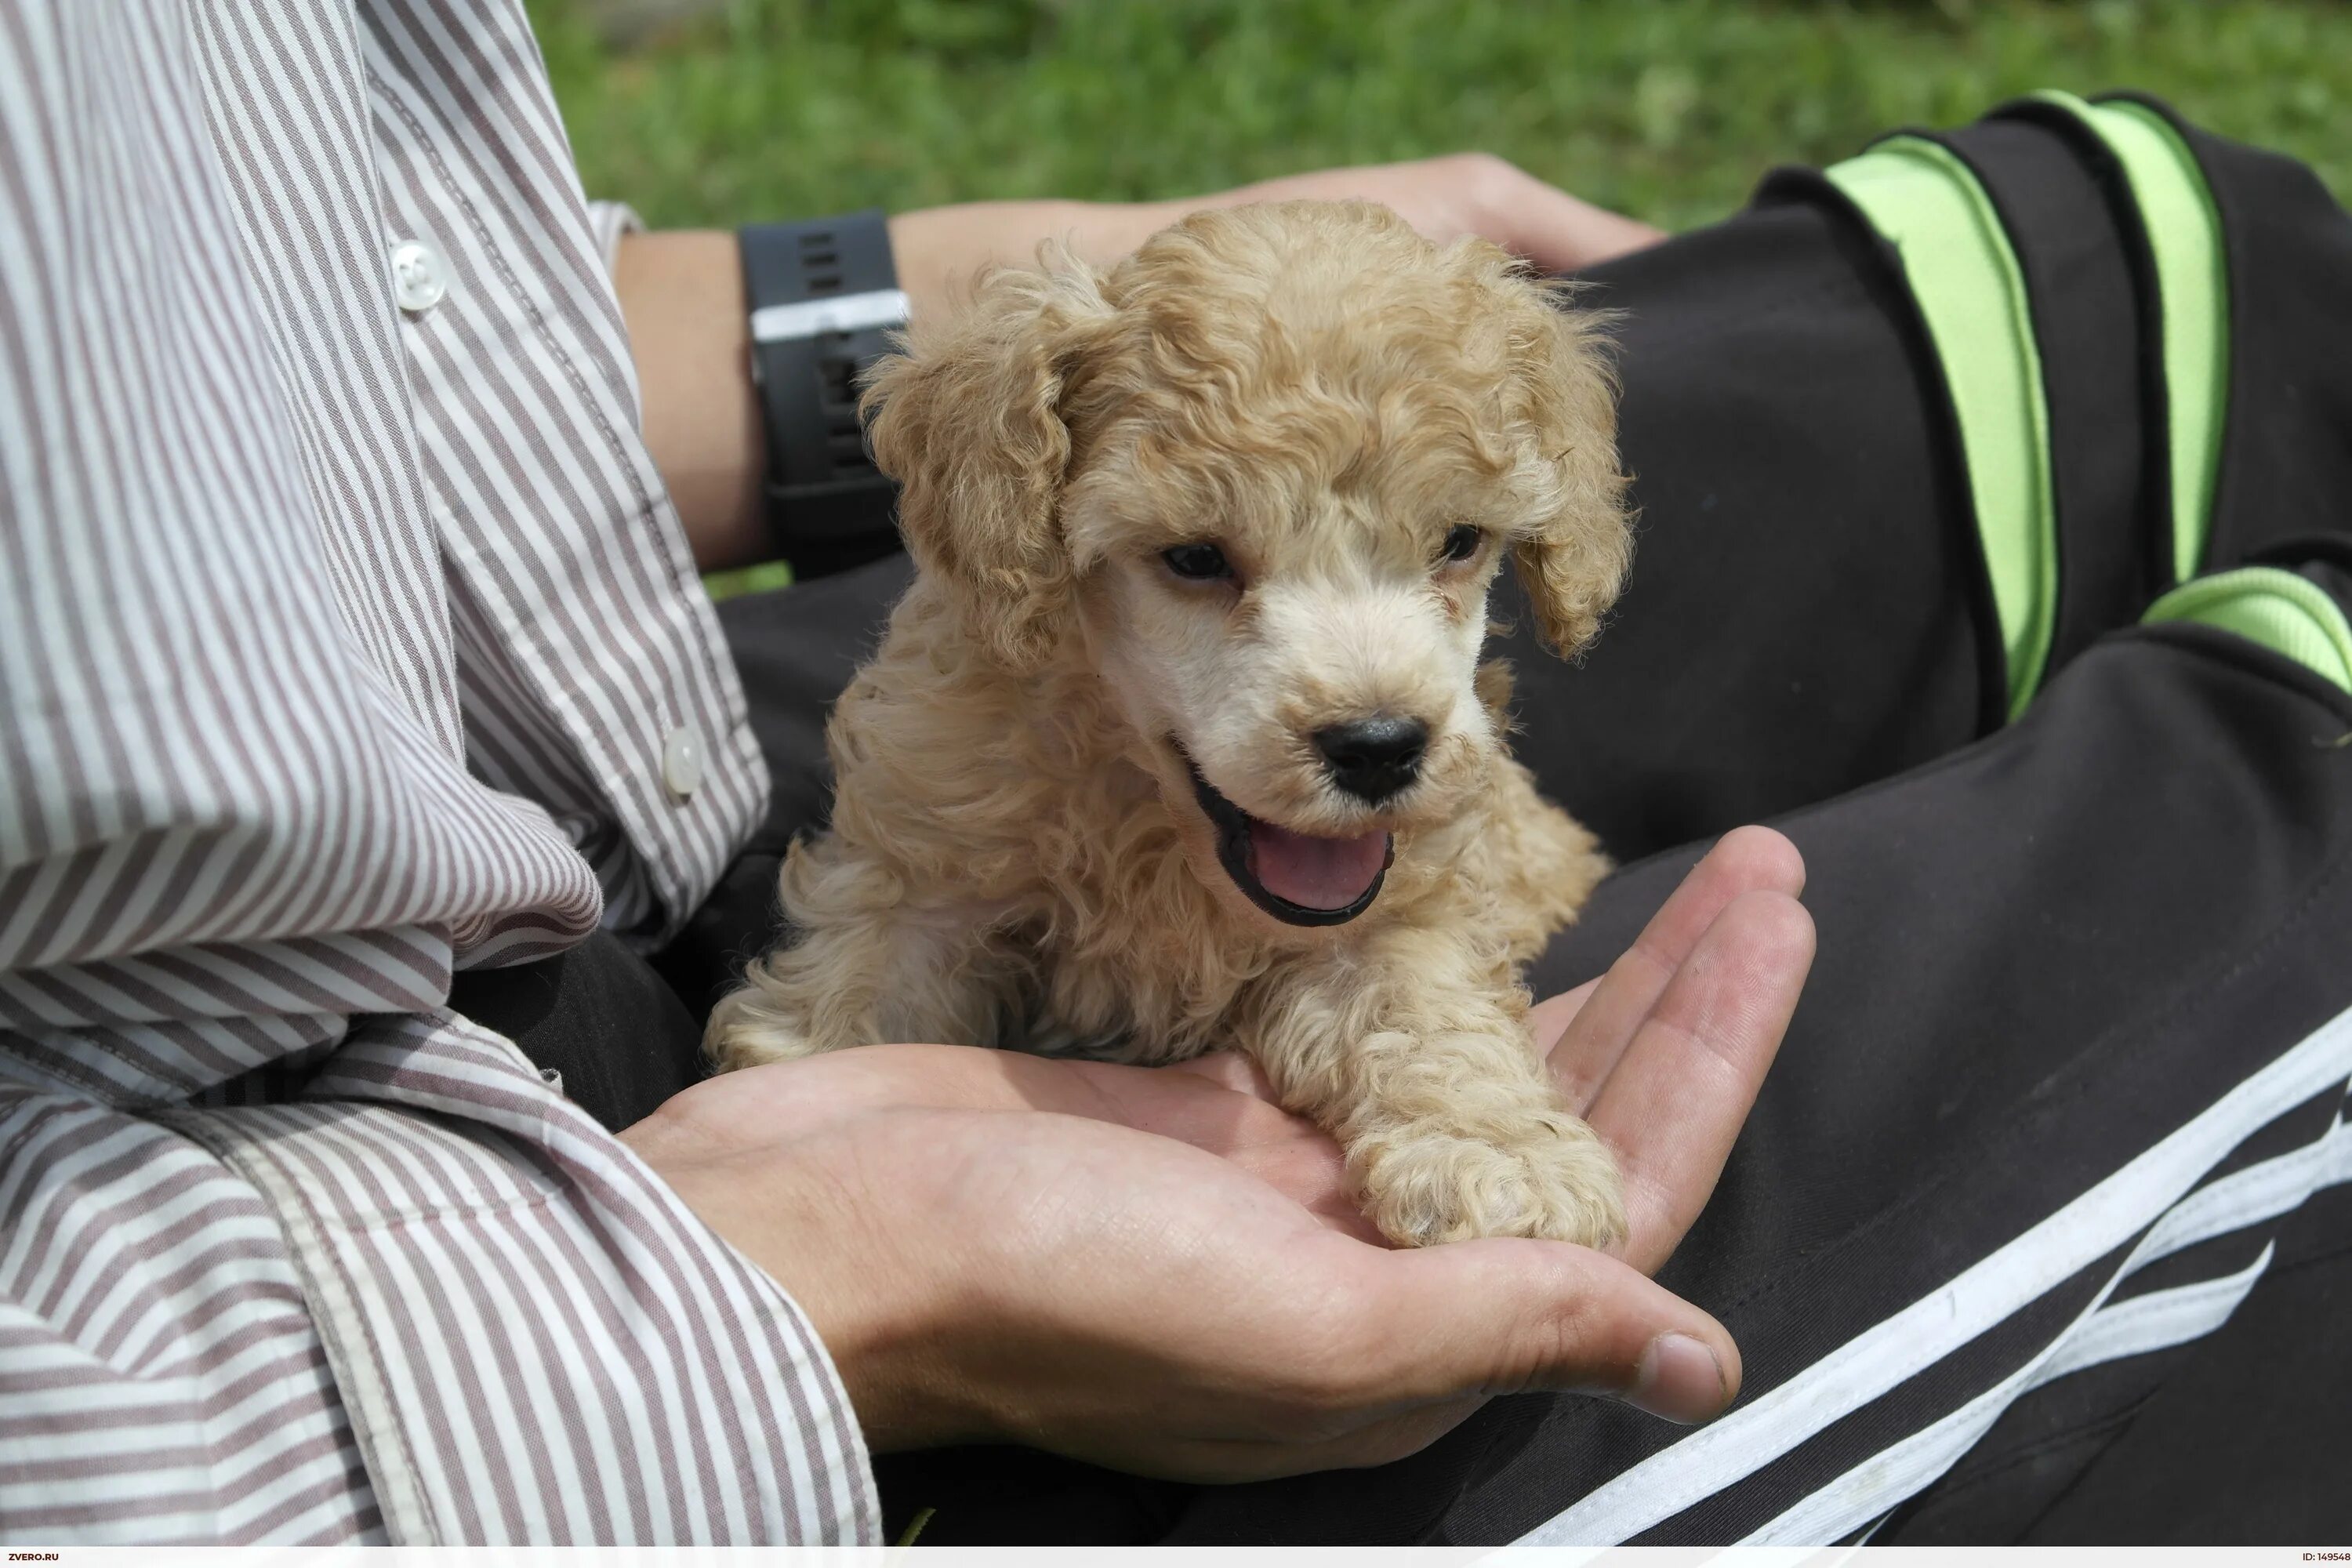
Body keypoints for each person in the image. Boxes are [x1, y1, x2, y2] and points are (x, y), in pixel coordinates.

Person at [2, 2, 2347, 1552]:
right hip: (402, 1305)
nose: (1375, 676)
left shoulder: (1316, 624)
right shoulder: (979, 685)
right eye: (1203, 560)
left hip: (535, 744)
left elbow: (306, 278)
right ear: (1033, 528)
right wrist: (811, 1273)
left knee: (2167, 269)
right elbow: (903, 930)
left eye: (1456, 554)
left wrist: (907, 292)